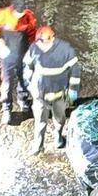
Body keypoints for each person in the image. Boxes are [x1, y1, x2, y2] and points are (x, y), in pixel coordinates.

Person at [22, 25, 81, 155]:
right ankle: (38, 146)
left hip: (58, 95)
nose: (40, 45)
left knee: (59, 119)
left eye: (44, 41)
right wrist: (29, 83)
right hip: (39, 96)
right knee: (39, 122)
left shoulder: (65, 49)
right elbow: (27, 65)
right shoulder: (35, 48)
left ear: (53, 38)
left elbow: (75, 69)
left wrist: (73, 89)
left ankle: (58, 138)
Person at [0, 0, 36, 125]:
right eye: (18, 12)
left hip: (23, 53)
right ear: (12, 8)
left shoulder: (28, 16)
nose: (20, 15)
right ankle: (6, 108)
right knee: (7, 82)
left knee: (24, 78)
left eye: (22, 12)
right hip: (7, 54)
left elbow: (32, 33)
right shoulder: (2, 14)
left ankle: (23, 100)